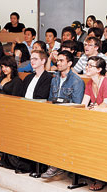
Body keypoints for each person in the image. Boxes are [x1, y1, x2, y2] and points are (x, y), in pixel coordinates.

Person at [41, 50, 85, 178]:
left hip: (68, 118)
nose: (58, 63)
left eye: (61, 61)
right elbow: (50, 99)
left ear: (70, 63)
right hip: (54, 115)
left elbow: (76, 106)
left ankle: (55, 165)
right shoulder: (55, 78)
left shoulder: (77, 81)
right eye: (57, 60)